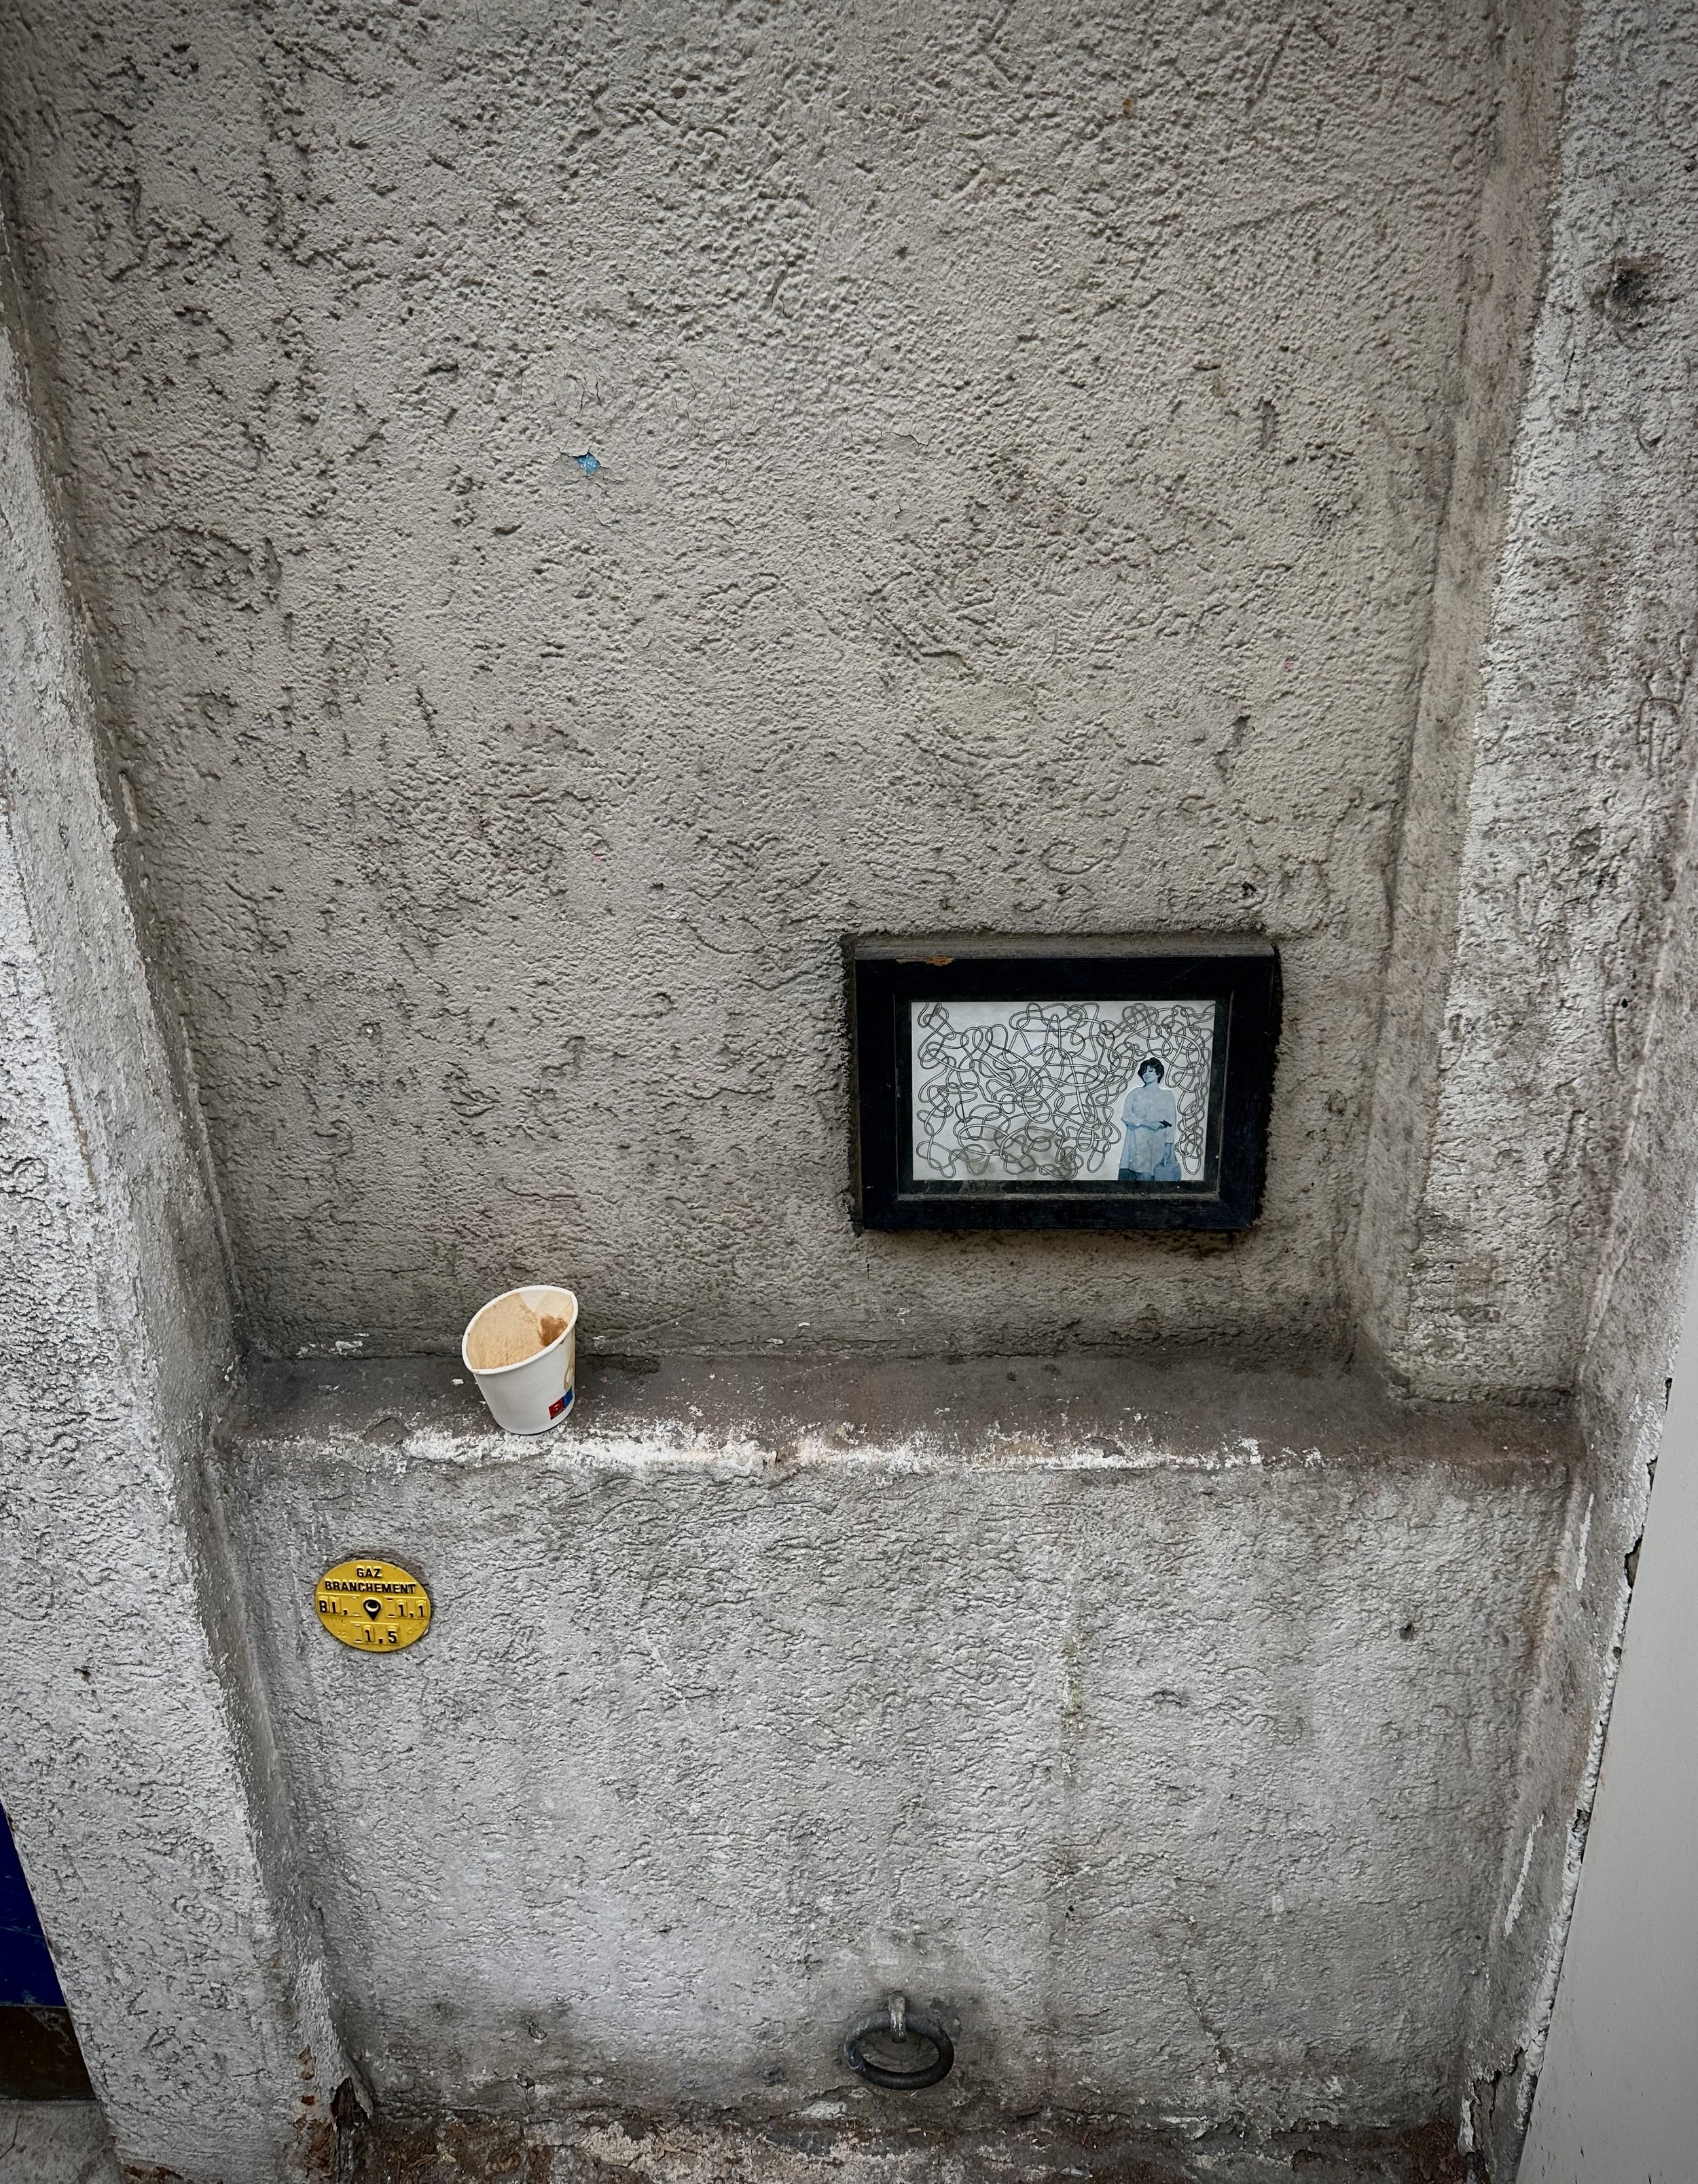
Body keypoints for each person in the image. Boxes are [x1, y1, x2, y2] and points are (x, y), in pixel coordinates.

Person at [1119, 1057, 1181, 1181]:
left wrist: (1169, 1145)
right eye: (1144, 1071)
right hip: (1137, 1142)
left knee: (1157, 1178)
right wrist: (1148, 1124)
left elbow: (1171, 1122)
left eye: (1151, 1071)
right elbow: (1126, 1116)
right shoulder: (1135, 1093)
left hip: (1159, 1143)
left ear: (1158, 1073)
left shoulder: (1167, 1095)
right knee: (1140, 1176)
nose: (1146, 1074)